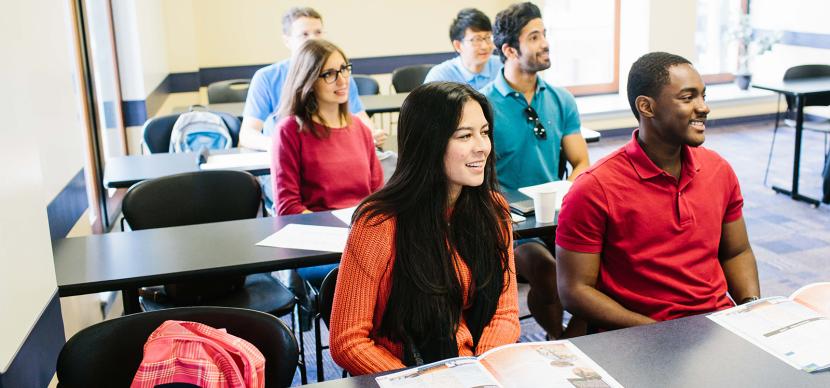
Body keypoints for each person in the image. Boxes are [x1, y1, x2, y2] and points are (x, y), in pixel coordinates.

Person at [555, 52, 761, 330]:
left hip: (714, 326)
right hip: (640, 335)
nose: (703, 108)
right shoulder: (593, 188)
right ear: (647, 107)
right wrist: (658, 333)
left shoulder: (718, 169)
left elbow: (736, 252)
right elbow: (575, 290)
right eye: (688, 98)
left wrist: (751, 309)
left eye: (703, 96)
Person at [329, 82, 520, 375]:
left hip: (475, 370)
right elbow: (348, 341)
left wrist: (481, 371)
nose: (482, 146)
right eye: (465, 135)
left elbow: (504, 313)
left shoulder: (493, 210)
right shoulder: (378, 223)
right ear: (428, 143)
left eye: (484, 133)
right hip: (405, 373)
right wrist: (423, 382)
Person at [480, 2, 589, 339]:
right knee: (544, 268)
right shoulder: (482, 105)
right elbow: (473, 178)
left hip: (556, 216)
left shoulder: (561, 99)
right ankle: (558, 338)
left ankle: (573, 338)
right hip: (508, 226)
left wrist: (567, 194)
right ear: (510, 49)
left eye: (545, 34)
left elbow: (582, 163)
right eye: (534, 36)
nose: (545, 43)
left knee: (615, 263)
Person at [270, 39, 383, 288]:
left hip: (363, 236)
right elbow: (288, 208)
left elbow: (378, 196)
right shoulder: (290, 131)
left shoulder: (360, 129)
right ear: (309, 81)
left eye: (344, 69)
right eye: (329, 74)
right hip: (317, 245)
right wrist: (344, 231)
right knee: (369, 273)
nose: (342, 80)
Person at [241, 6, 386, 151]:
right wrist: (283, 145)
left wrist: (371, 134)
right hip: (284, 159)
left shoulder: (339, 74)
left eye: (318, 32)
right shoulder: (266, 78)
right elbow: (248, 134)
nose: (313, 39)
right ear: (287, 41)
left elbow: (359, 115)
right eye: (304, 34)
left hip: (331, 152)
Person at [423, 8, 503, 90]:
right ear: (458, 45)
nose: (485, 46)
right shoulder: (440, 76)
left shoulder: (503, 67)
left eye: (488, 37)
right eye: (476, 39)